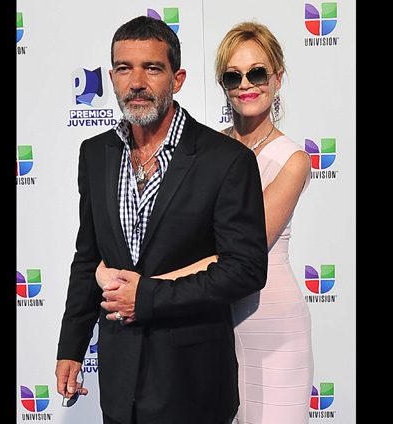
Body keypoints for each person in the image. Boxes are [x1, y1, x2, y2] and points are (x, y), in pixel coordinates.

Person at [55, 16, 268, 424]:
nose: (136, 82)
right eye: (124, 68)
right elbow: (88, 257)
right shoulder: (95, 154)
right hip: (119, 384)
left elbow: (245, 269)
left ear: (177, 78)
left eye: (152, 68)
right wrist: (71, 347)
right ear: (111, 78)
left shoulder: (226, 160)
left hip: (193, 382)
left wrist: (148, 298)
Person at [98, 21, 314, 423]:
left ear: (277, 78)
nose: (246, 84)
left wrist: (142, 286)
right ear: (222, 85)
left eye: (257, 73)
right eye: (233, 76)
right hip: (205, 315)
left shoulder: (293, 159)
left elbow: (240, 252)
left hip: (268, 321)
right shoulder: (205, 148)